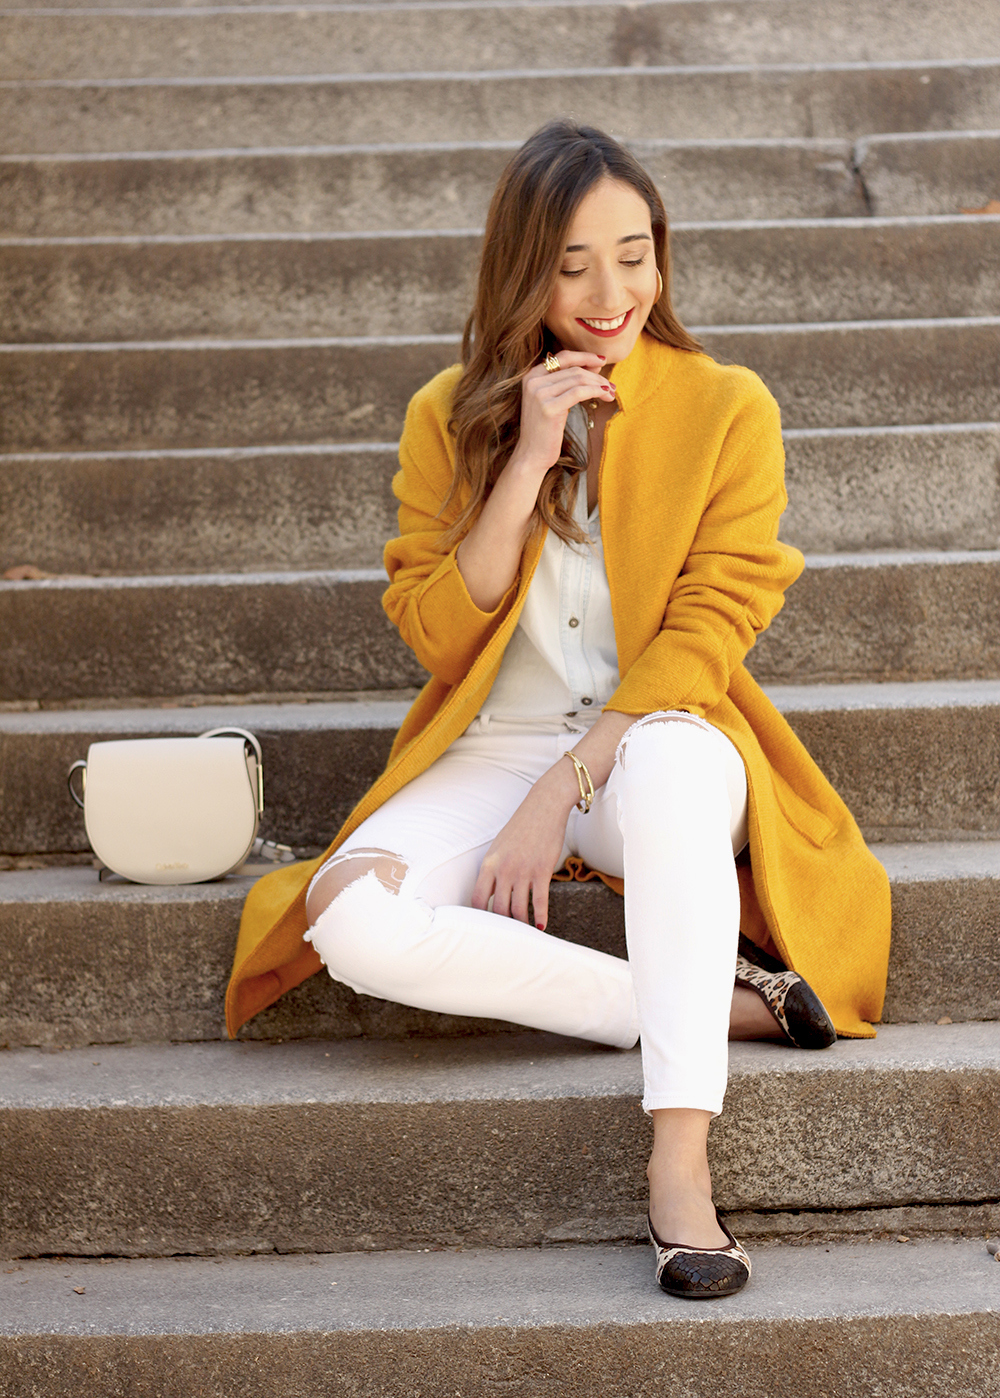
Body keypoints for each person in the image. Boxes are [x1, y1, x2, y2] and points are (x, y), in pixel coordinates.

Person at [225, 120, 891, 1299]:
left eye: (634, 255)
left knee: (680, 772)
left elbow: (708, 630)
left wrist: (561, 789)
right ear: (520, 268)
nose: (610, 291)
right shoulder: (451, 413)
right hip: (492, 741)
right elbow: (435, 629)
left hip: (652, 740)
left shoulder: (727, 405)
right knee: (349, 922)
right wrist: (529, 456)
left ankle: (679, 1162)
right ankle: (721, 1005)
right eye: (573, 263)